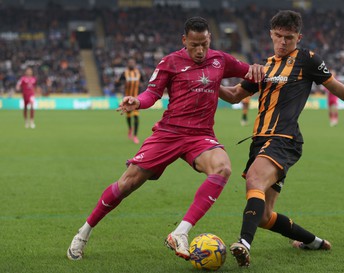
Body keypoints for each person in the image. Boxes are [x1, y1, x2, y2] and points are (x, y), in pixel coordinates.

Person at [67, 16, 263, 261]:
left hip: (201, 136)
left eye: (204, 43)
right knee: (127, 183)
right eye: (194, 45)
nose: (200, 50)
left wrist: (256, 69)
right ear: (184, 40)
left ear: (209, 39)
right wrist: (137, 101)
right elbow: (152, 93)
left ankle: (180, 232)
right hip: (169, 133)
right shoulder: (170, 62)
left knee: (222, 167)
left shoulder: (221, 59)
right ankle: (83, 233)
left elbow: (251, 72)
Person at [219, 10, 344, 267]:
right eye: (278, 36)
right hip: (259, 141)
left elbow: (335, 86)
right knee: (264, 216)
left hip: (284, 139)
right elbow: (233, 95)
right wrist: (208, 83)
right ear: (271, 34)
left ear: (299, 37)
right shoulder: (264, 66)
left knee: (254, 178)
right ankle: (314, 242)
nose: (283, 42)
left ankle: (243, 243)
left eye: (289, 37)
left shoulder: (308, 60)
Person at [114, 58, 144, 143]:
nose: (131, 64)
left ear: (135, 64)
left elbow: (144, 81)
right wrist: (117, 82)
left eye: (133, 62)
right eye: (130, 62)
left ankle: (135, 136)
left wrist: (141, 88)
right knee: (128, 115)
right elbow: (118, 83)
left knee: (136, 116)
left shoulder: (139, 73)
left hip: (135, 99)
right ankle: (130, 128)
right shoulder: (124, 73)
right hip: (127, 99)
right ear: (128, 64)